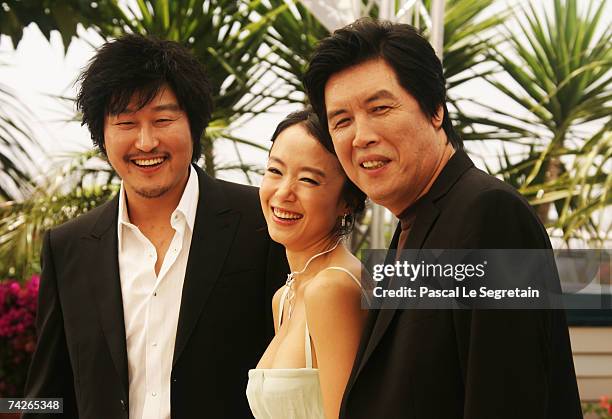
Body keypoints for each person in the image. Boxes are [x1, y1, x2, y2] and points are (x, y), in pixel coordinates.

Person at [303, 18, 582, 419]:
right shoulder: (411, 225)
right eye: (341, 120)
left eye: (379, 108)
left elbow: (507, 400)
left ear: (436, 110)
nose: (360, 135)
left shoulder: (489, 215)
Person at [23, 34, 288, 419]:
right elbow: (47, 392)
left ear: (193, 123)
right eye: (126, 123)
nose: (146, 142)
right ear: (102, 133)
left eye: (163, 119)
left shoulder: (262, 222)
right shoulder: (68, 247)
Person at [246, 109, 369, 419]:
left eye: (308, 180)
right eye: (275, 171)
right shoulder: (285, 296)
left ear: (347, 200)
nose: (284, 192)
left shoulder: (334, 288)